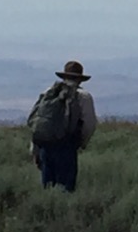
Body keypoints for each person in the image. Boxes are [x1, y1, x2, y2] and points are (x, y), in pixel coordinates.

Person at [28, 60, 97, 192]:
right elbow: (90, 124)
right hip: (67, 146)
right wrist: (82, 143)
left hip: (45, 146)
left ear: (64, 76)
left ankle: (47, 211)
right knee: (66, 189)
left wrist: (35, 149)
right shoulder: (83, 96)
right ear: (80, 79)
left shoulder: (48, 93)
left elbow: (37, 121)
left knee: (47, 189)